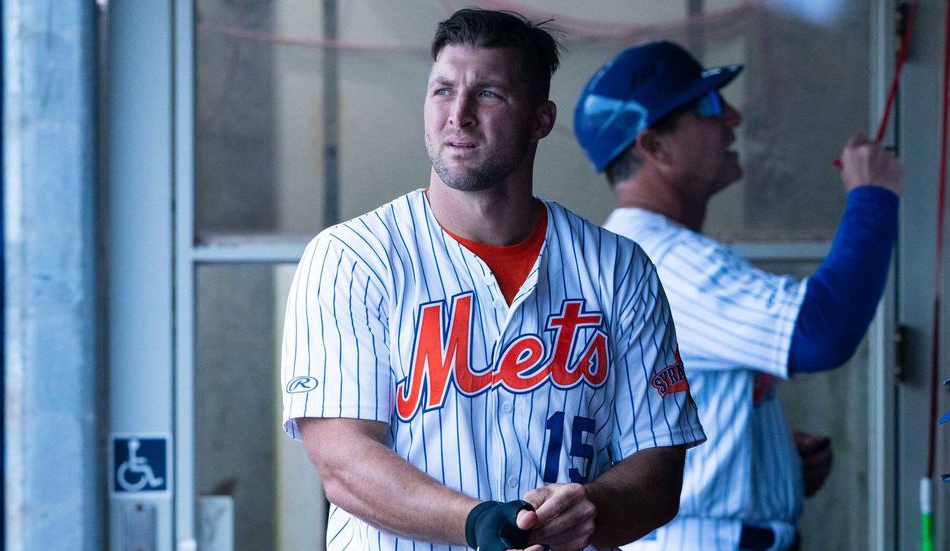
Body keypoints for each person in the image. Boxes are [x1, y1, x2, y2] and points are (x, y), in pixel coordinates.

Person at [281, 10, 707, 551]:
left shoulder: (618, 268)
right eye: (442, 90)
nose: (458, 115)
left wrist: (593, 508)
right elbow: (342, 463)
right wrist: (476, 520)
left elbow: (660, 465)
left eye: (488, 94)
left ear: (540, 120)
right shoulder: (351, 259)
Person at [574, 40, 902, 550]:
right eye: (706, 106)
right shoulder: (668, 261)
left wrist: (764, 457)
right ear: (654, 147)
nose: (731, 116)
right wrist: (873, 196)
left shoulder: (629, 253)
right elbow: (820, 330)